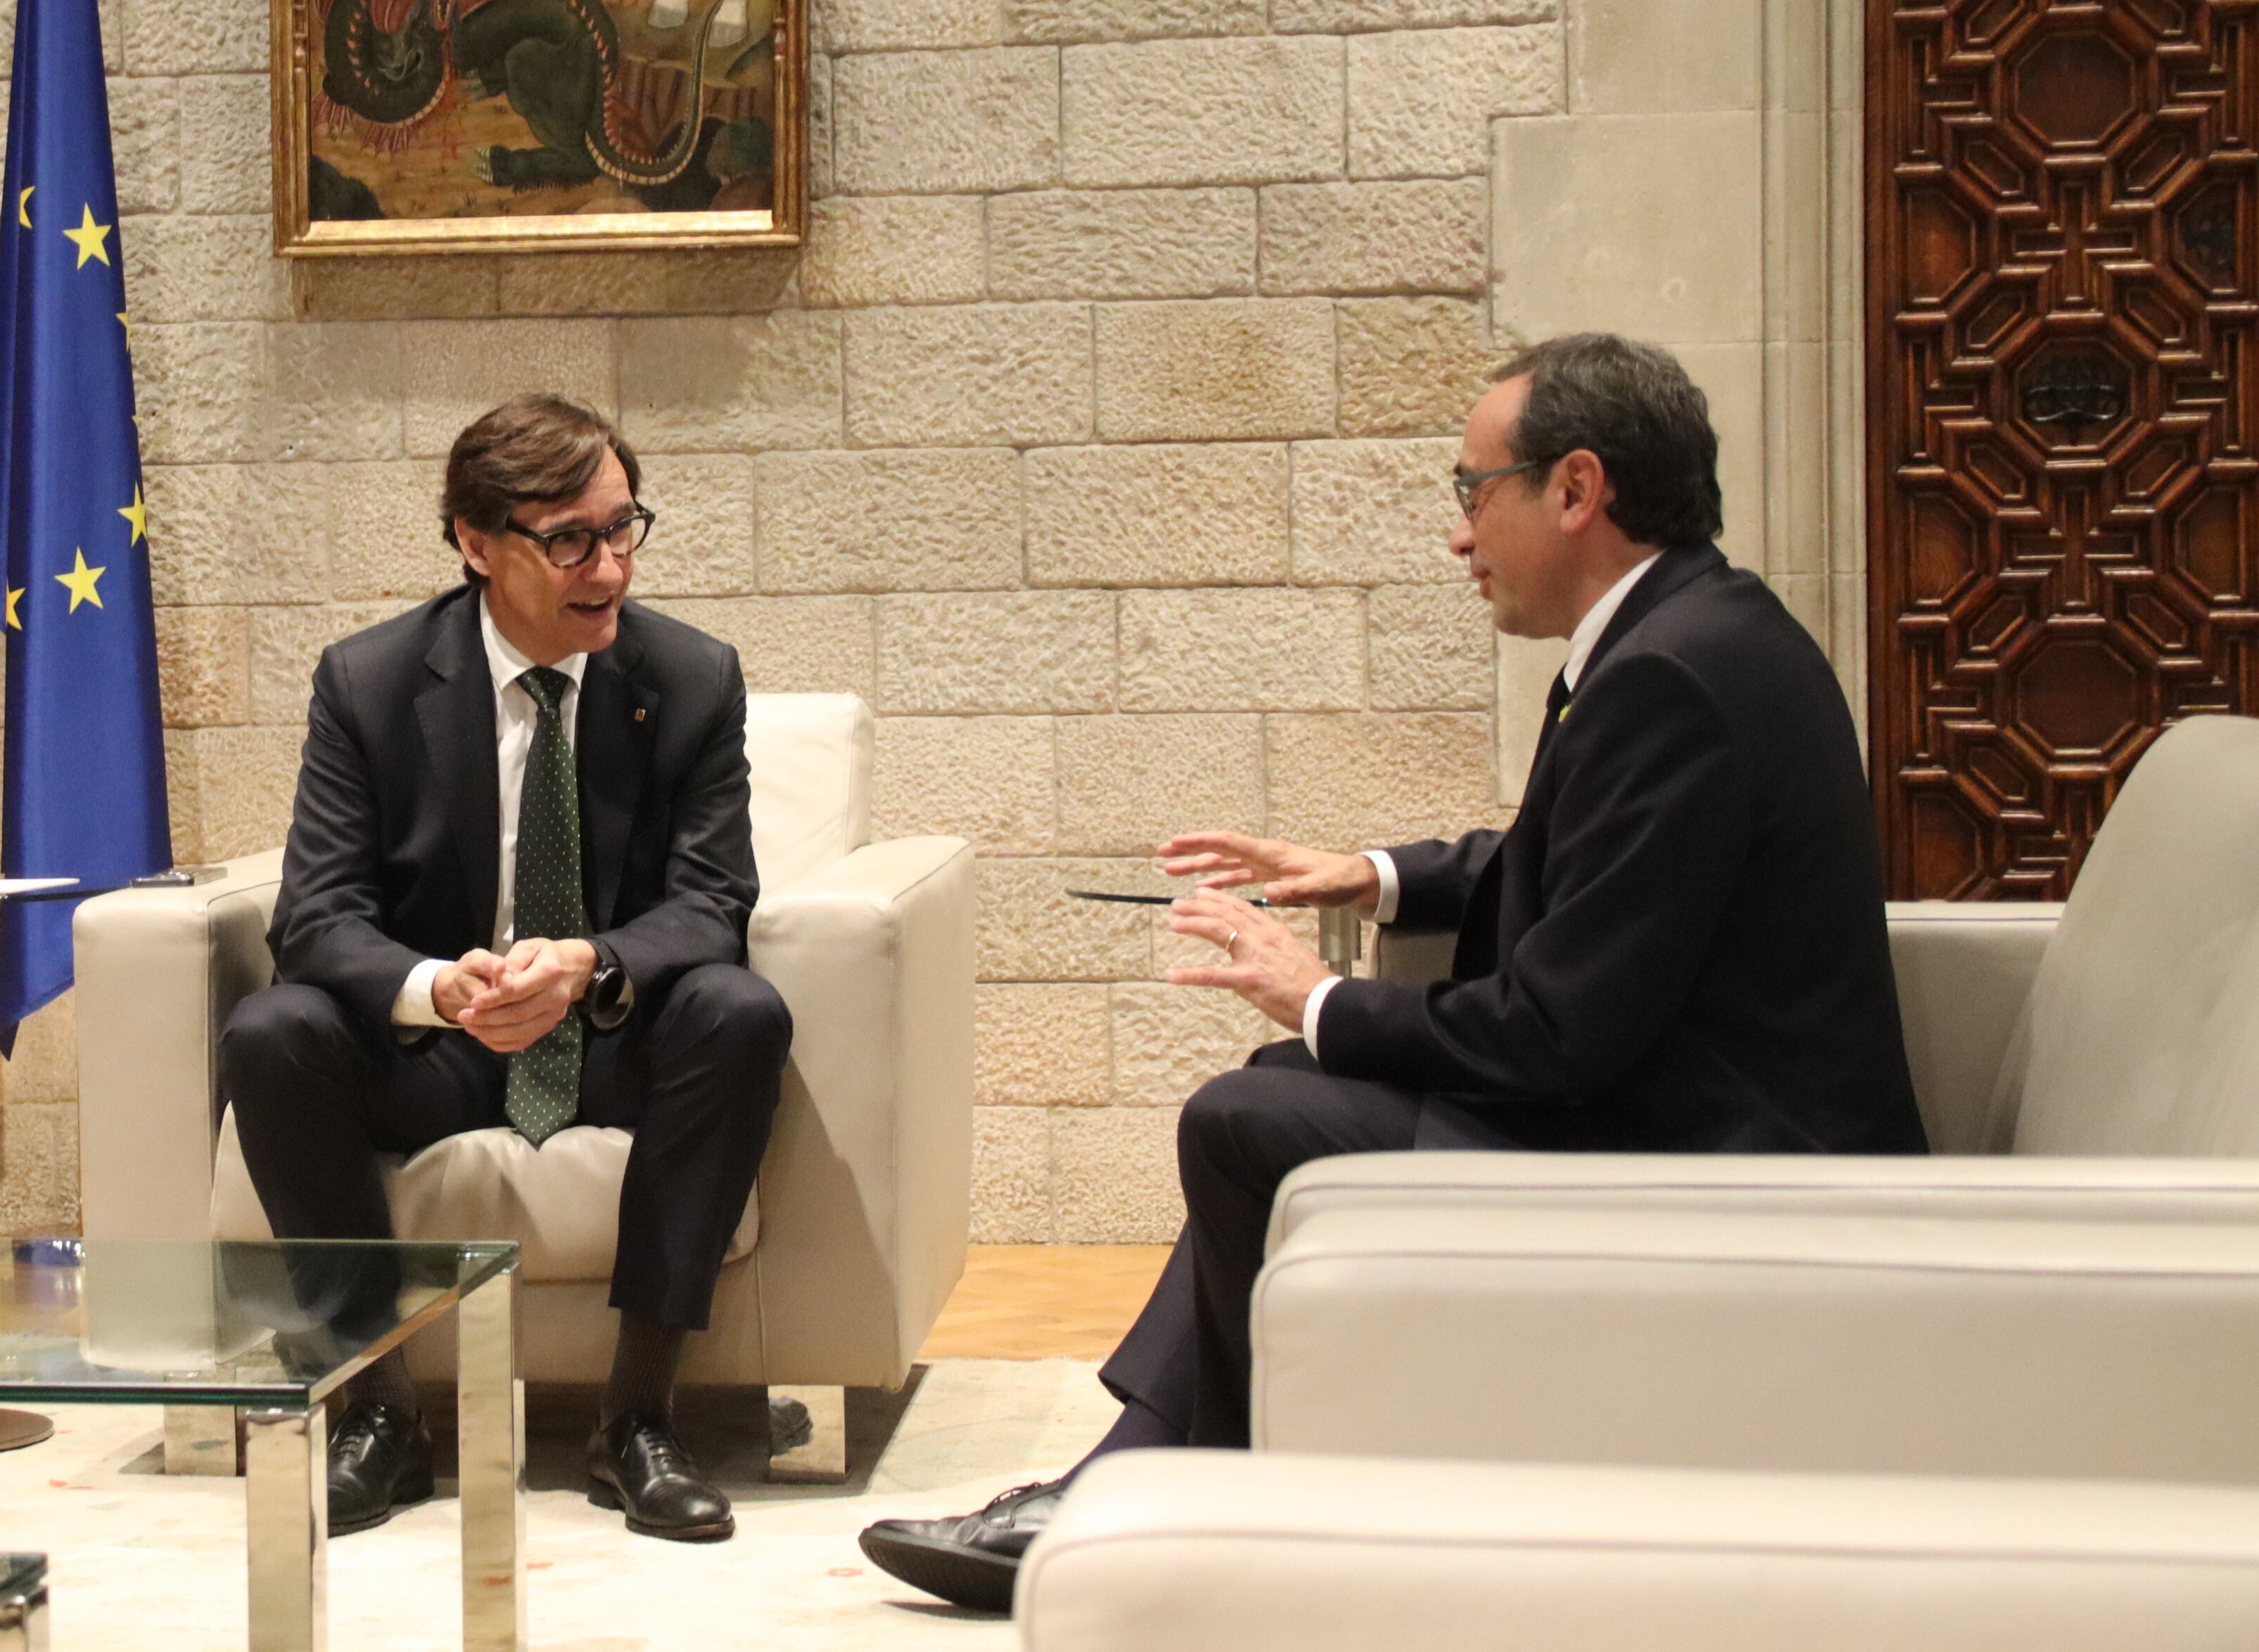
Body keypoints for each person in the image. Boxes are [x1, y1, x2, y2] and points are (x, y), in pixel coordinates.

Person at [859, 332, 1928, 1612]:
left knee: (1255, 1107)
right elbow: (1585, 863)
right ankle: (1143, 1484)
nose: (1460, 535)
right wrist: (1376, 874)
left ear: (1576, 490)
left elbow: (1556, 1036)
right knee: (1273, 1099)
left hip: (1724, 1166)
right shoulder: (1692, 632)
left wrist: (1313, 991)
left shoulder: (1673, 679)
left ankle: (1187, 1498)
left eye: (1473, 492)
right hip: (1680, 1112)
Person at [221, 393, 788, 1543]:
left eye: (624, 528)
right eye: (569, 538)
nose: (609, 568)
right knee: (273, 1032)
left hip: (612, 1042)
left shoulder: (691, 678)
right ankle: (377, 1412)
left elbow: (715, 902)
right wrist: (443, 988)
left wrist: (590, 964)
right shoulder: (371, 684)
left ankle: (639, 1419)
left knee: (740, 1009)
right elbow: (318, 917)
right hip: (441, 1052)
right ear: (476, 545)